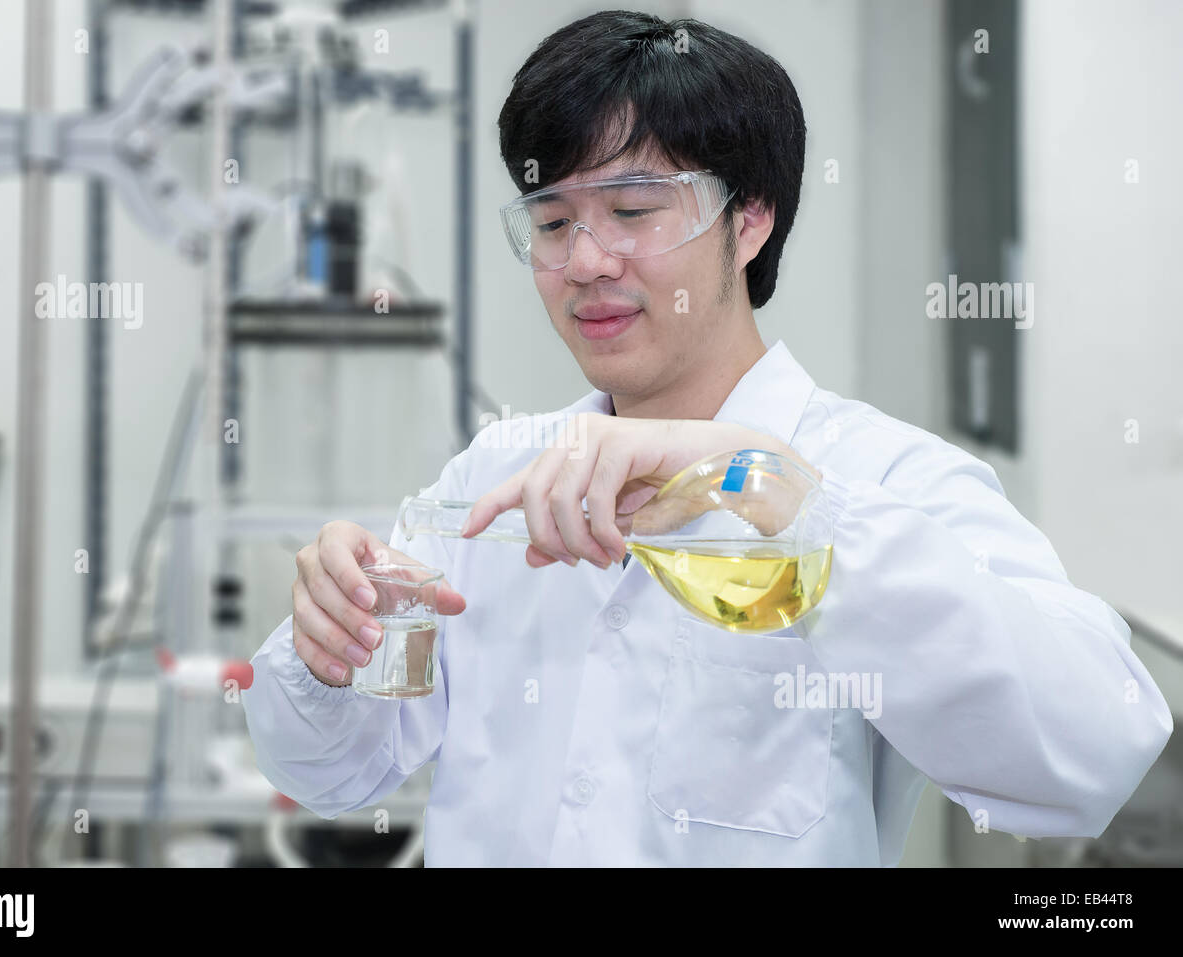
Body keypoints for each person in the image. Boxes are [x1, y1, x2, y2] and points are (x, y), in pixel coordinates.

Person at [241, 10, 1172, 866]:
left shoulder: (881, 476)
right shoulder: (498, 473)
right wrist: (327, 646)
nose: (586, 262)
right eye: (553, 221)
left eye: (635, 211)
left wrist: (762, 493)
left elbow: (1093, 751)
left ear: (751, 219)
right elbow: (329, 772)